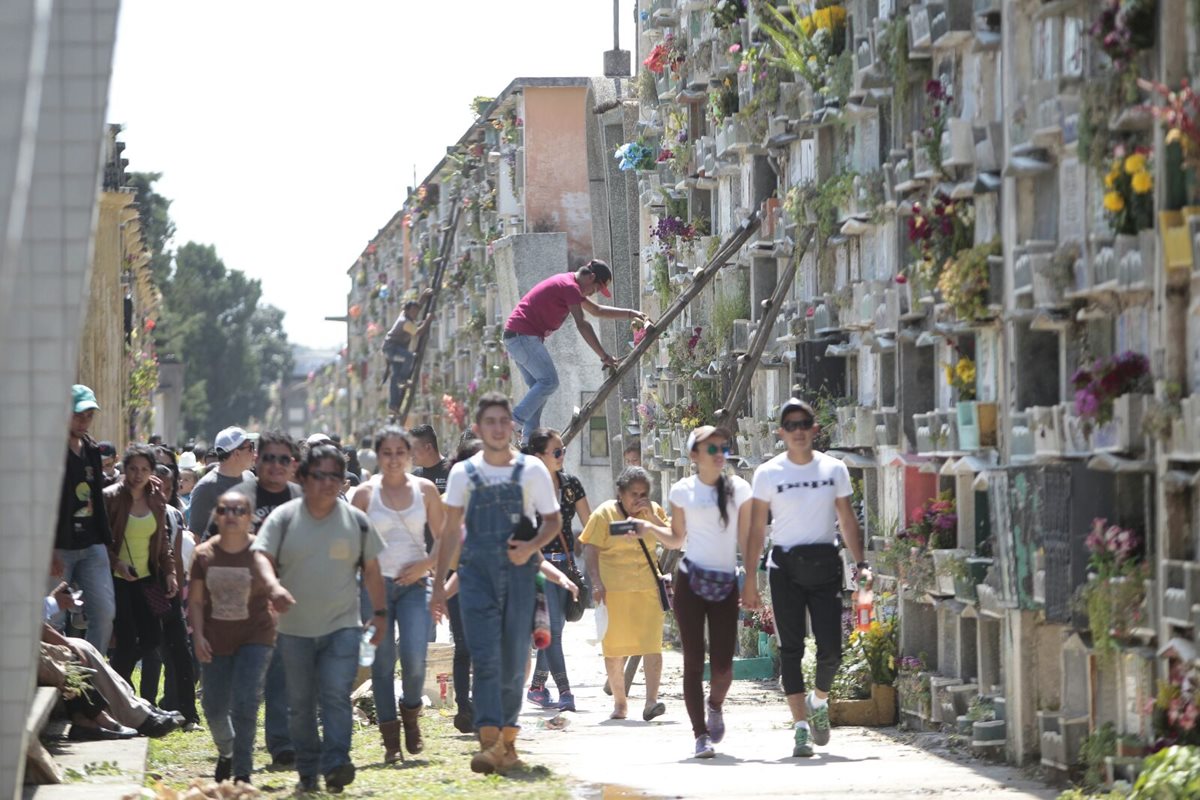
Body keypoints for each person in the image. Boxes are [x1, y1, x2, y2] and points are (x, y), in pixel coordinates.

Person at [430, 393, 562, 775]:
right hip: (475, 574)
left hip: (519, 572)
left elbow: (551, 523)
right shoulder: (462, 474)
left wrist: (531, 549)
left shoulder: (532, 470)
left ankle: (506, 742)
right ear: (478, 428)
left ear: (512, 426)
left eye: (504, 421)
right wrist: (439, 587)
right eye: (490, 421)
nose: (499, 428)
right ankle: (490, 742)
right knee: (484, 657)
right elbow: (450, 532)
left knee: (512, 659)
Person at [252, 444, 387, 794]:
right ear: (302, 477)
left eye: (335, 476)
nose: (328, 483)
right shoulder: (284, 518)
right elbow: (262, 557)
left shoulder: (356, 521)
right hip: (294, 630)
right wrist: (273, 587)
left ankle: (337, 763)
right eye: (319, 475)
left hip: (342, 626)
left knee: (335, 695)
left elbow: (372, 569)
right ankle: (308, 771)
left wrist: (381, 614)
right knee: (301, 703)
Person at [746, 398, 871, 759]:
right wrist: (751, 581)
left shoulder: (833, 469)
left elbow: (846, 519)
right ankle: (800, 728)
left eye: (804, 424)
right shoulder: (768, 473)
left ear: (814, 430)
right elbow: (757, 527)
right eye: (791, 425)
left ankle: (819, 701)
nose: (798, 430)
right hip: (784, 566)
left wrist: (860, 563)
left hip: (825, 564)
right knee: (791, 649)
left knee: (832, 649)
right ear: (781, 432)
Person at [350, 426, 445, 762]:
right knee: (382, 663)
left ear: (410, 454)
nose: (393, 460)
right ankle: (391, 740)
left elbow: (446, 540)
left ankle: (411, 714)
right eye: (386, 453)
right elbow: (354, 547)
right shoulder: (363, 494)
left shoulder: (426, 490)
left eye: (399, 453)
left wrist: (426, 567)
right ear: (378, 456)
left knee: (415, 658)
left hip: (416, 586)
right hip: (375, 588)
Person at [191, 490, 294, 785]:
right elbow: (196, 602)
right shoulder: (203, 555)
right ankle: (227, 751)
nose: (231, 516)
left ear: (250, 518)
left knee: (246, 701)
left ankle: (243, 773)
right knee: (213, 707)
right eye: (225, 510)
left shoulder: (261, 552)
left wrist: (278, 594)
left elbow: (272, 580)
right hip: (215, 636)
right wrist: (198, 636)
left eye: (239, 511)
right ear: (216, 515)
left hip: (256, 634)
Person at [668, 426, 753, 758]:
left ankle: (715, 704)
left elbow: (746, 538)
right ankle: (699, 734)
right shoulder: (681, 490)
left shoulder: (739, 488)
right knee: (692, 660)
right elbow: (677, 539)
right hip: (690, 581)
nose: (720, 454)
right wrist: (648, 528)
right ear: (694, 456)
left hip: (725, 582)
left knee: (723, 667)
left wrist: (751, 582)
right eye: (711, 448)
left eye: (723, 448)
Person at [503, 260, 647, 441]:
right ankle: (514, 422)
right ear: (591, 277)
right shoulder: (569, 286)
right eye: (594, 289)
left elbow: (597, 310)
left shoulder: (570, 285)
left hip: (518, 338)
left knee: (539, 390)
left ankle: (528, 439)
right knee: (548, 382)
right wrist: (603, 355)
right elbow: (582, 324)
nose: (592, 294)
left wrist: (630, 313)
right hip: (522, 336)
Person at [229, 430, 303, 766]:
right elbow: (217, 547)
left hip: (288, 598)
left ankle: (281, 742)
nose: (275, 465)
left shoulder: (303, 499)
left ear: (293, 464)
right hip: (246, 599)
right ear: (257, 459)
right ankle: (234, 745)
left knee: (281, 676)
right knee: (245, 681)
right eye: (269, 458)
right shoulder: (239, 497)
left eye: (283, 459)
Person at [580, 466, 673, 722]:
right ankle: (620, 703)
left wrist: (651, 519)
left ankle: (651, 701)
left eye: (643, 493)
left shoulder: (654, 511)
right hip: (614, 592)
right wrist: (596, 583)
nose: (638, 498)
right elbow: (590, 548)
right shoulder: (604, 514)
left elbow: (670, 540)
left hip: (648, 590)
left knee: (652, 646)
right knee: (614, 649)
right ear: (620, 493)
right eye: (633, 493)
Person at [521, 428, 591, 713]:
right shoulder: (525, 487)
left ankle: (538, 687)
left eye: (564, 450)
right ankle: (565, 691)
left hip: (565, 564)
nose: (563, 456)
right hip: (538, 565)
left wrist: (580, 543)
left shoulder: (571, 484)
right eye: (557, 451)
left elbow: (591, 521)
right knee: (553, 633)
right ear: (539, 457)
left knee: (556, 629)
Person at [104, 445, 179, 693]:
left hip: (148, 578)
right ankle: (120, 693)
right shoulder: (111, 497)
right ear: (124, 469)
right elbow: (101, 541)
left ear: (151, 472)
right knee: (126, 639)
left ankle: (115, 676)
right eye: (133, 468)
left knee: (152, 637)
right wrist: (117, 563)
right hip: (118, 578)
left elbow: (163, 540)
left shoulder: (156, 498)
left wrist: (170, 572)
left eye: (144, 469)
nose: (138, 474)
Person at [52, 385, 116, 653]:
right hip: (58, 548)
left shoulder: (91, 449)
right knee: (53, 617)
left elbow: (97, 499)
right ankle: (56, 678)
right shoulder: (50, 451)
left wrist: (106, 543)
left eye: (89, 415)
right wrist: (47, 550)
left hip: (91, 545)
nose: (84, 421)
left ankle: (91, 675)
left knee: (103, 613)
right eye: (79, 415)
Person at [190, 426, 256, 542]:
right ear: (236, 453)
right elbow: (196, 537)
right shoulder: (205, 488)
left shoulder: (250, 477)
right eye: (250, 447)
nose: (254, 453)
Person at [382, 288, 434, 414]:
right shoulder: (404, 322)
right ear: (407, 311)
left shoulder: (406, 314)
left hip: (395, 349)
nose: (415, 315)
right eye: (413, 312)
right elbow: (419, 332)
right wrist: (428, 320)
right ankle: (403, 380)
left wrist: (423, 297)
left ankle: (393, 405)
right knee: (409, 357)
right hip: (391, 349)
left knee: (395, 376)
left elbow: (416, 307)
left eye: (416, 312)